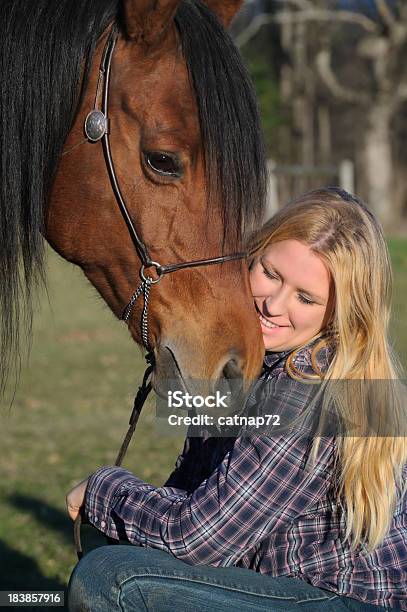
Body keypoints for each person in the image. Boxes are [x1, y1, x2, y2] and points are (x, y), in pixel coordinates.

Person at [66, 188, 407, 611]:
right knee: (127, 545)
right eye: (271, 273)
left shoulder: (305, 386)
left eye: (305, 298)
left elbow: (198, 539)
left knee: (114, 577)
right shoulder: (250, 362)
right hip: (290, 588)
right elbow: (192, 499)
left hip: (339, 600)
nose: (274, 305)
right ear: (252, 252)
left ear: (340, 314)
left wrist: (105, 489)